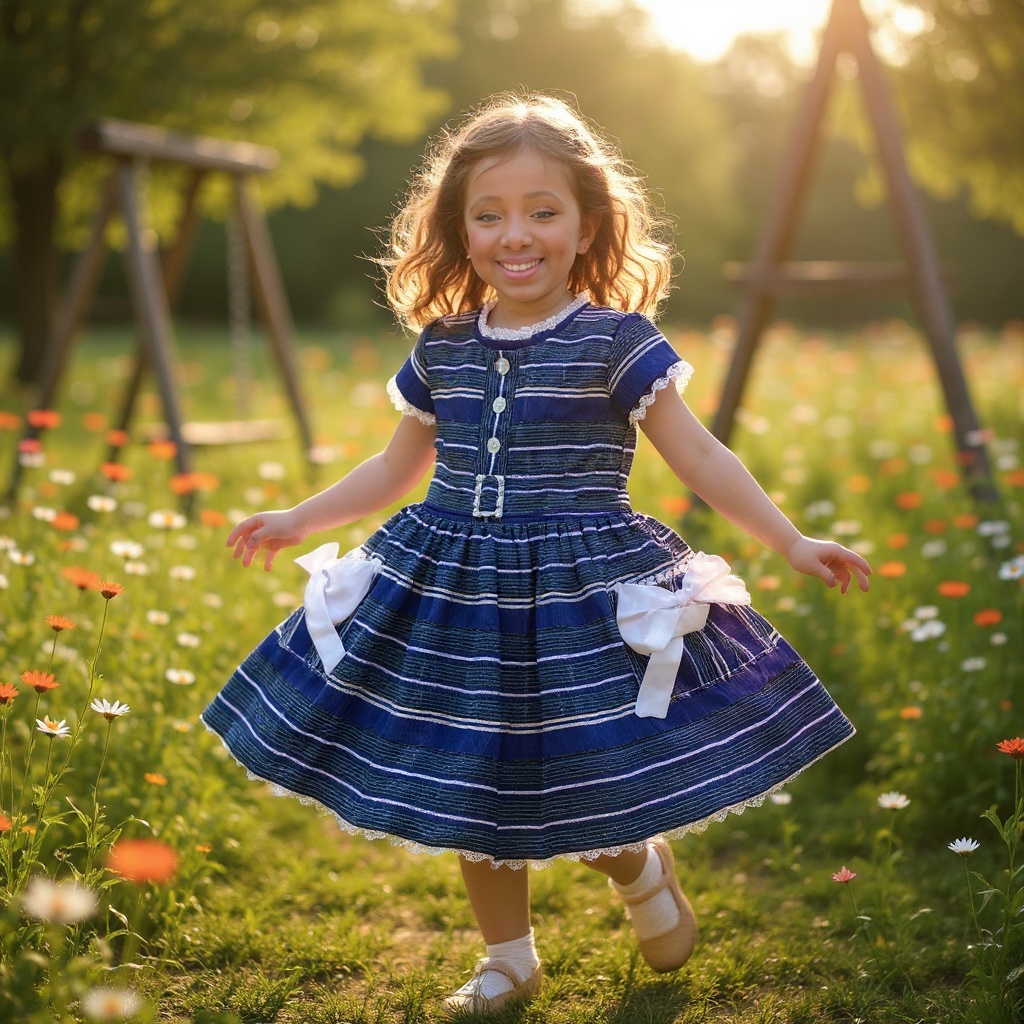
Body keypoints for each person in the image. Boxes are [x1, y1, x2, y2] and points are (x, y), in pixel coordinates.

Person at [202, 91, 871, 1014]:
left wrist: (790, 540)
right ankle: (508, 957)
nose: (517, 234)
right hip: (452, 593)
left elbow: (700, 453)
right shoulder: (443, 348)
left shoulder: (617, 343)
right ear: (460, 229)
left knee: (587, 779)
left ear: (587, 223)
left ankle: (637, 869)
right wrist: (298, 518)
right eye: (490, 214)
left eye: (542, 211)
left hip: (577, 594)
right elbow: (396, 466)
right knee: (470, 777)